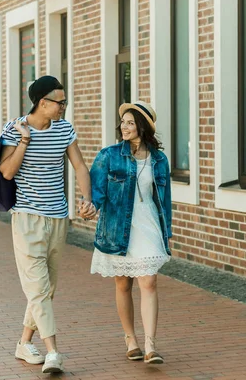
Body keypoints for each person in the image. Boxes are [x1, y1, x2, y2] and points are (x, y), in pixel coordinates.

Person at [0, 75, 96, 373]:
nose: (64, 107)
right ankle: (53, 351)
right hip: (26, 217)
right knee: (39, 288)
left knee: (46, 287)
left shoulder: (64, 128)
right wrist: (25, 139)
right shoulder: (14, 129)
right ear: (43, 103)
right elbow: (7, 171)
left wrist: (87, 199)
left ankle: (24, 342)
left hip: (58, 217)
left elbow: (79, 165)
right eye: (60, 102)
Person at [88, 101, 172, 364]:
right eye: (122, 122)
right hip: (117, 226)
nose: (123, 127)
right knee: (123, 283)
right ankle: (130, 339)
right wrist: (89, 207)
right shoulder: (108, 155)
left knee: (149, 281)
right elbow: (96, 194)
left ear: (142, 126)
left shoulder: (159, 159)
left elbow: (165, 198)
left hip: (148, 225)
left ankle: (150, 345)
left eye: (130, 122)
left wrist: (167, 230)